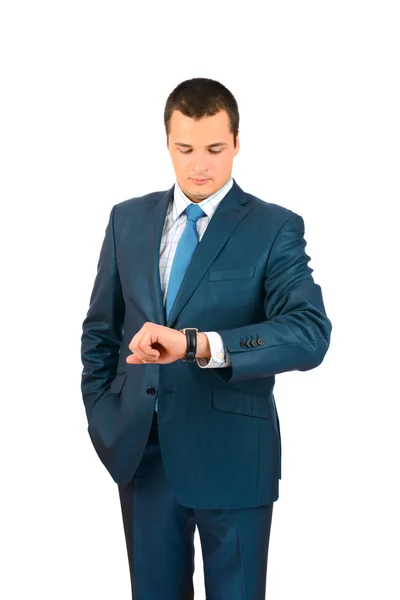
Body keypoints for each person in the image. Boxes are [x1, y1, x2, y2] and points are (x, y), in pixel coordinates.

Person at [80, 77, 332, 600]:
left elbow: (309, 332)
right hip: (144, 457)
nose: (200, 165)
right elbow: (100, 331)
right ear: (166, 144)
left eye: (215, 149)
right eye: (185, 148)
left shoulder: (274, 228)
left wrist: (199, 345)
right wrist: (106, 416)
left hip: (234, 460)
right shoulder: (127, 220)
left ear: (237, 143)